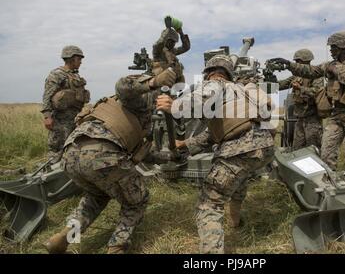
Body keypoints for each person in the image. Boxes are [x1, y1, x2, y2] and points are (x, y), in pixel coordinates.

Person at [44, 68, 176, 254]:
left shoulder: (114, 106)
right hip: (102, 156)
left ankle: (64, 237)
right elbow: (123, 85)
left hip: (71, 154)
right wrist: (154, 82)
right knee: (137, 200)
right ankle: (117, 246)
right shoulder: (137, 97)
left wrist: (170, 156)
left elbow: (143, 151)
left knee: (96, 198)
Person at [156, 54, 275, 254]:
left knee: (209, 204)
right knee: (240, 177)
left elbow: (200, 98)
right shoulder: (241, 90)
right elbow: (216, 133)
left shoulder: (216, 83)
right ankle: (236, 222)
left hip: (238, 150)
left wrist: (174, 105)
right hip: (264, 148)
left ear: (209, 73)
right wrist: (185, 143)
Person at [270, 32, 345, 185]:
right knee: (326, 150)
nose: (331, 50)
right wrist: (288, 65)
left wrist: (337, 69)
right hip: (336, 113)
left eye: (333, 47)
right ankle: (328, 181)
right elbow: (310, 71)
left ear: (343, 46)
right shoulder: (328, 65)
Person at [41, 45, 90, 162]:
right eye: (79, 59)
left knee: (70, 148)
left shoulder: (75, 76)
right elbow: (47, 95)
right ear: (71, 58)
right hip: (60, 120)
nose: (81, 62)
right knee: (56, 150)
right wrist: (47, 117)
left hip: (74, 118)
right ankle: (47, 176)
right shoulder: (57, 74)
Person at [277, 49, 323, 150]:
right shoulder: (296, 76)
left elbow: (317, 92)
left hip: (312, 119)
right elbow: (281, 84)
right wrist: (264, 82)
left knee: (313, 149)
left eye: (298, 61)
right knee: (297, 149)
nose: (296, 64)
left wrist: (300, 88)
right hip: (299, 119)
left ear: (306, 61)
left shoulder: (316, 76)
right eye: (296, 61)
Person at [151, 16, 190, 84]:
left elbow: (186, 47)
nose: (173, 44)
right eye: (171, 41)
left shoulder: (172, 51)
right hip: (161, 83)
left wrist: (181, 33)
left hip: (174, 83)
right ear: (166, 40)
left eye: (174, 42)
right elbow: (158, 44)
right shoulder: (158, 51)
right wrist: (168, 29)